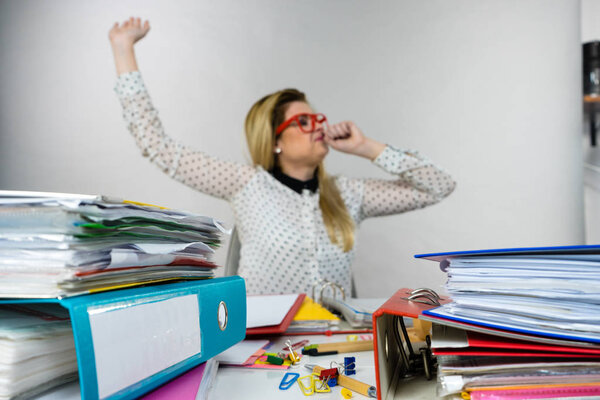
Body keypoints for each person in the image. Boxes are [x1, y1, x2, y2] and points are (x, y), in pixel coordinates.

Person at [109, 17, 456, 295]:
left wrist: (367, 147)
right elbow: (157, 145)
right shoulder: (247, 184)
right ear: (275, 140)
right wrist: (124, 51)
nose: (317, 126)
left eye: (318, 118)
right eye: (303, 121)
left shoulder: (349, 194)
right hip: (262, 349)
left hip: (335, 347)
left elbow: (438, 186)